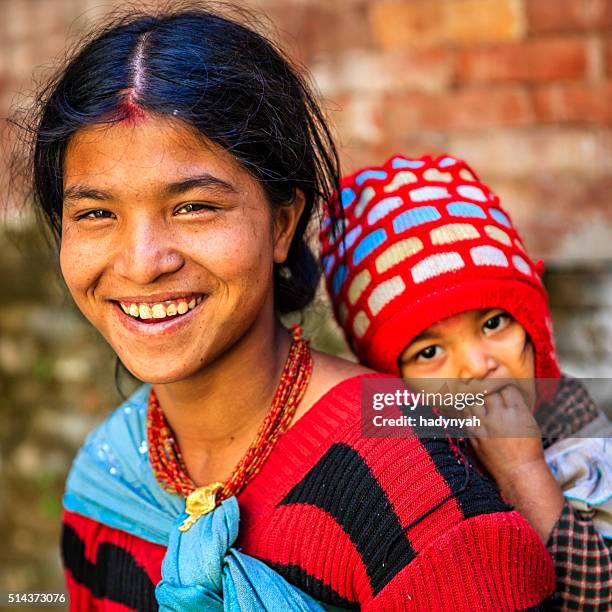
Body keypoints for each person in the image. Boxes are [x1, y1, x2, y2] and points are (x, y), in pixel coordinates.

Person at [23, 6, 558, 610]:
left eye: (194, 206)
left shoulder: (410, 489)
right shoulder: (105, 487)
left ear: (282, 224)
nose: (143, 263)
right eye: (96, 213)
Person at [320, 153, 612, 610]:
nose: (477, 366)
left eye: (494, 323)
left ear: (536, 330)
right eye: (430, 352)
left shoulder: (574, 420)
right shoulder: (409, 468)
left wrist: (522, 473)